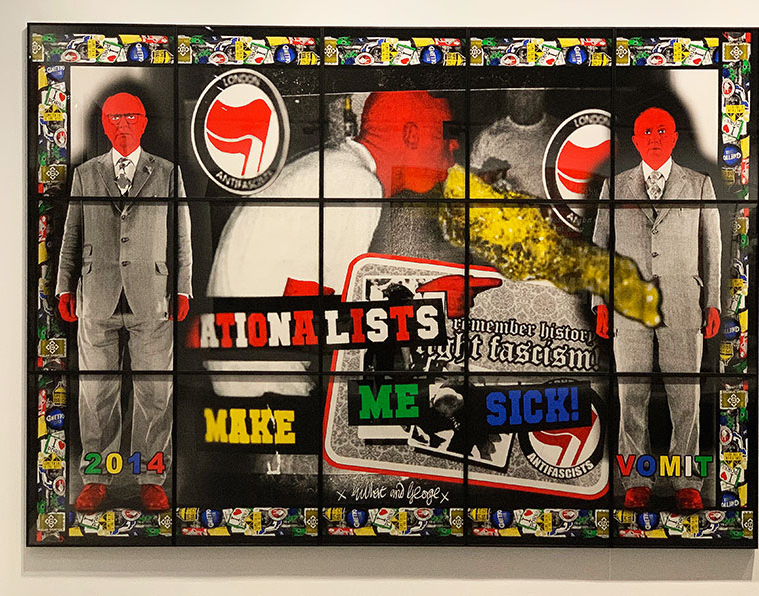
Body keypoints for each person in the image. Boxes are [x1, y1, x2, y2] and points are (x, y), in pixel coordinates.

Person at [205, 91, 459, 395]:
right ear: (411, 135)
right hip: (265, 384)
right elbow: (315, 320)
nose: (454, 146)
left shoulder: (337, 167)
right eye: (445, 134)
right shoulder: (354, 182)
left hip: (250, 366)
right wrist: (417, 320)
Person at [55, 92, 193, 513]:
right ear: (104, 124)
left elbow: (181, 235)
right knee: (96, 392)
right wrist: (64, 287)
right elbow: (72, 234)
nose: (123, 124)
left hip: (153, 297)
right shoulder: (85, 174)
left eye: (131, 116)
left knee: (155, 390)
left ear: (144, 122)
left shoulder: (167, 173)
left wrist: (183, 288)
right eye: (114, 117)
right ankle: (96, 479)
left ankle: (151, 479)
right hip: (96, 297)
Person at [591, 107, 721, 511]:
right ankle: (635, 481)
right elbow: (599, 248)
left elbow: (712, 247)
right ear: (635, 139)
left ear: (674, 137)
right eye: (646, 131)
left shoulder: (698, 184)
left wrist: (713, 302)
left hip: (683, 303)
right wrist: (599, 303)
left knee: (686, 397)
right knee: (631, 395)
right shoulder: (615, 186)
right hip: (627, 307)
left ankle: (688, 482)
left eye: (662, 130)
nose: (654, 137)